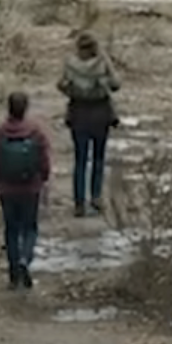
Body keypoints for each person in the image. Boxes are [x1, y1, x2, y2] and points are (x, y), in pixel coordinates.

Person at [0, 90, 53, 289]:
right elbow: (45, 159)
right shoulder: (36, 131)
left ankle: (14, 274)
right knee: (30, 227)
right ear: (26, 109)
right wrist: (44, 178)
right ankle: (25, 260)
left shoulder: (0, 133)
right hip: (31, 188)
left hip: (6, 190)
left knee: (11, 229)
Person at [58, 32, 120, 217]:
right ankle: (96, 197)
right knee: (99, 158)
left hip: (78, 115)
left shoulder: (70, 63)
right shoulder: (102, 62)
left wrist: (74, 91)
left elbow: (61, 84)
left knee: (80, 160)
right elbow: (116, 84)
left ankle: (79, 203)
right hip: (101, 115)